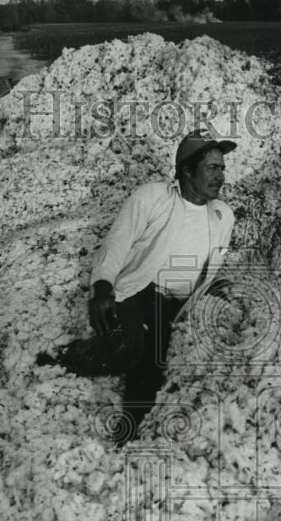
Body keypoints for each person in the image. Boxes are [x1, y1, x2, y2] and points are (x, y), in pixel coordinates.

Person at [38, 129, 236, 444]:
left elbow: (211, 266)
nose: (221, 176)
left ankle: (127, 437)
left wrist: (213, 292)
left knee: (157, 370)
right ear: (187, 169)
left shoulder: (223, 216)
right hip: (141, 290)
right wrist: (102, 288)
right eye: (213, 167)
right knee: (132, 348)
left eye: (222, 168)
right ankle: (65, 355)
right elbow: (116, 243)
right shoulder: (152, 197)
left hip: (178, 307)